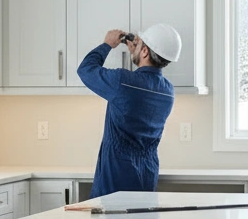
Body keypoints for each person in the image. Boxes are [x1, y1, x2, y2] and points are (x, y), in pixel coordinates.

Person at [77, 23, 182, 198]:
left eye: (140, 44)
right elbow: (141, 85)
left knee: (110, 216)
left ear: (145, 52)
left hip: (115, 175)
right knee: (140, 216)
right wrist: (137, 53)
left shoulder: (122, 81)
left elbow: (86, 70)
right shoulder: (168, 91)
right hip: (147, 173)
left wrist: (107, 44)